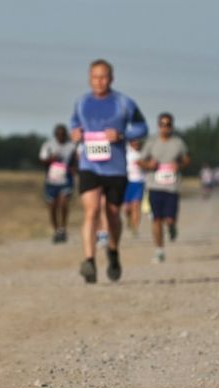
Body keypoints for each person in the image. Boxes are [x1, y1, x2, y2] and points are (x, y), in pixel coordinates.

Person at [70, 59, 148, 283]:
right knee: (91, 211)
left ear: (111, 79)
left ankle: (113, 252)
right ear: (89, 78)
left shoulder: (124, 103)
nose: (99, 81)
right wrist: (75, 132)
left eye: (104, 77)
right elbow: (74, 124)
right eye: (95, 77)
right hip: (89, 166)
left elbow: (142, 127)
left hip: (115, 168)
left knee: (113, 214)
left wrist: (123, 135)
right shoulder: (82, 102)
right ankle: (89, 261)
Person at [139, 113, 189, 263]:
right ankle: (159, 250)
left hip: (172, 187)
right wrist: (149, 165)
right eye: (162, 124)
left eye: (168, 124)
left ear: (172, 126)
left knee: (169, 219)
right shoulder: (152, 142)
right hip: (154, 185)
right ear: (158, 125)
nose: (165, 128)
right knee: (156, 220)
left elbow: (187, 159)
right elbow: (140, 161)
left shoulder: (178, 143)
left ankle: (172, 227)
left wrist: (179, 165)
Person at [39, 124, 77, 243]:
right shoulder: (48, 145)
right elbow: (42, 160)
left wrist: (74, 168)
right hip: (51, 181)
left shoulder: (71, 146)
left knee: (64, 203)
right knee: (53, 207)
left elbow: (77, 160)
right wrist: (51, 159)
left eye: (63, 134)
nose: (61, 136)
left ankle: (63, 228)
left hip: (66, 180)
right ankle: (56, 230)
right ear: (55, 135)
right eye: (59, 134)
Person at [123, 139, 146, 237]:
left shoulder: (144, 153)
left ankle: (135, 228)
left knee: (136, 206)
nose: (136, 143)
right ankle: (129, 220)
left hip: (138, 182)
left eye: (138, 141)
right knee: (127, 208)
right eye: (134, 141)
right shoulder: (125, 151)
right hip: (126, 182)